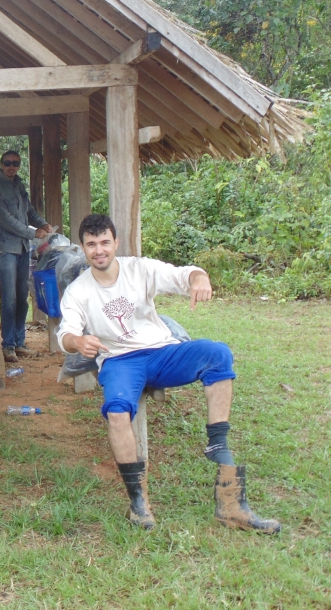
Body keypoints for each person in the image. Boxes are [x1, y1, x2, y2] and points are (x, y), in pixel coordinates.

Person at [57, 214, 280, 533]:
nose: (99, 250)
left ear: (115, 242)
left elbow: (181, 275)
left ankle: (226, 483)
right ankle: (138, 502)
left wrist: (199, 276)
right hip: (120, 361)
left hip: (161, 351)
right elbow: (65, 333)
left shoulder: (139, 268)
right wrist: (77, 340)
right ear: (83, 248)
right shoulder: (78, 291)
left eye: (105, 242)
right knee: (118, 413)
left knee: (218, 354)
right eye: (91, 245)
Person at [0, 149, 52, 363]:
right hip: (5, 248)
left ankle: (20, 342)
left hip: (22, 248)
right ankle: (8, 345)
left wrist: (41, 223)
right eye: (7, 163)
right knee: (9, 298)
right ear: (1, 164)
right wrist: (33, 233)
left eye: (15, 163)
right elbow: (6, 220)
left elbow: (28, 211)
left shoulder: (18, 184)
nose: (11, 167)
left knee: (22, 297)